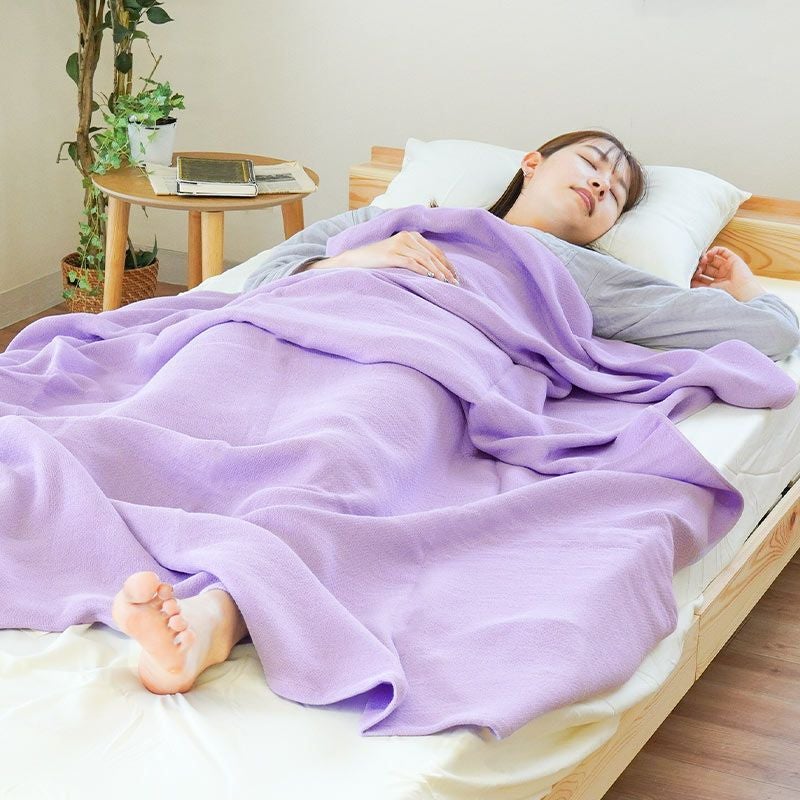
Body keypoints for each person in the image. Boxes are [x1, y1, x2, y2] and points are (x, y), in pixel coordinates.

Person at [111, 129, 800, 697]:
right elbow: (264, 277)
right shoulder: (395, 219)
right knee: (163, 406)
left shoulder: (585, 273)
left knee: (341, 454)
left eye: (616, 193)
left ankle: (215, 616)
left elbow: (771, 331)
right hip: (297, 321)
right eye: (592, 163)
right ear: (531, 164)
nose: (601, 184)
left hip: (421, 360)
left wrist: (745, 287)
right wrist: (363, 256)